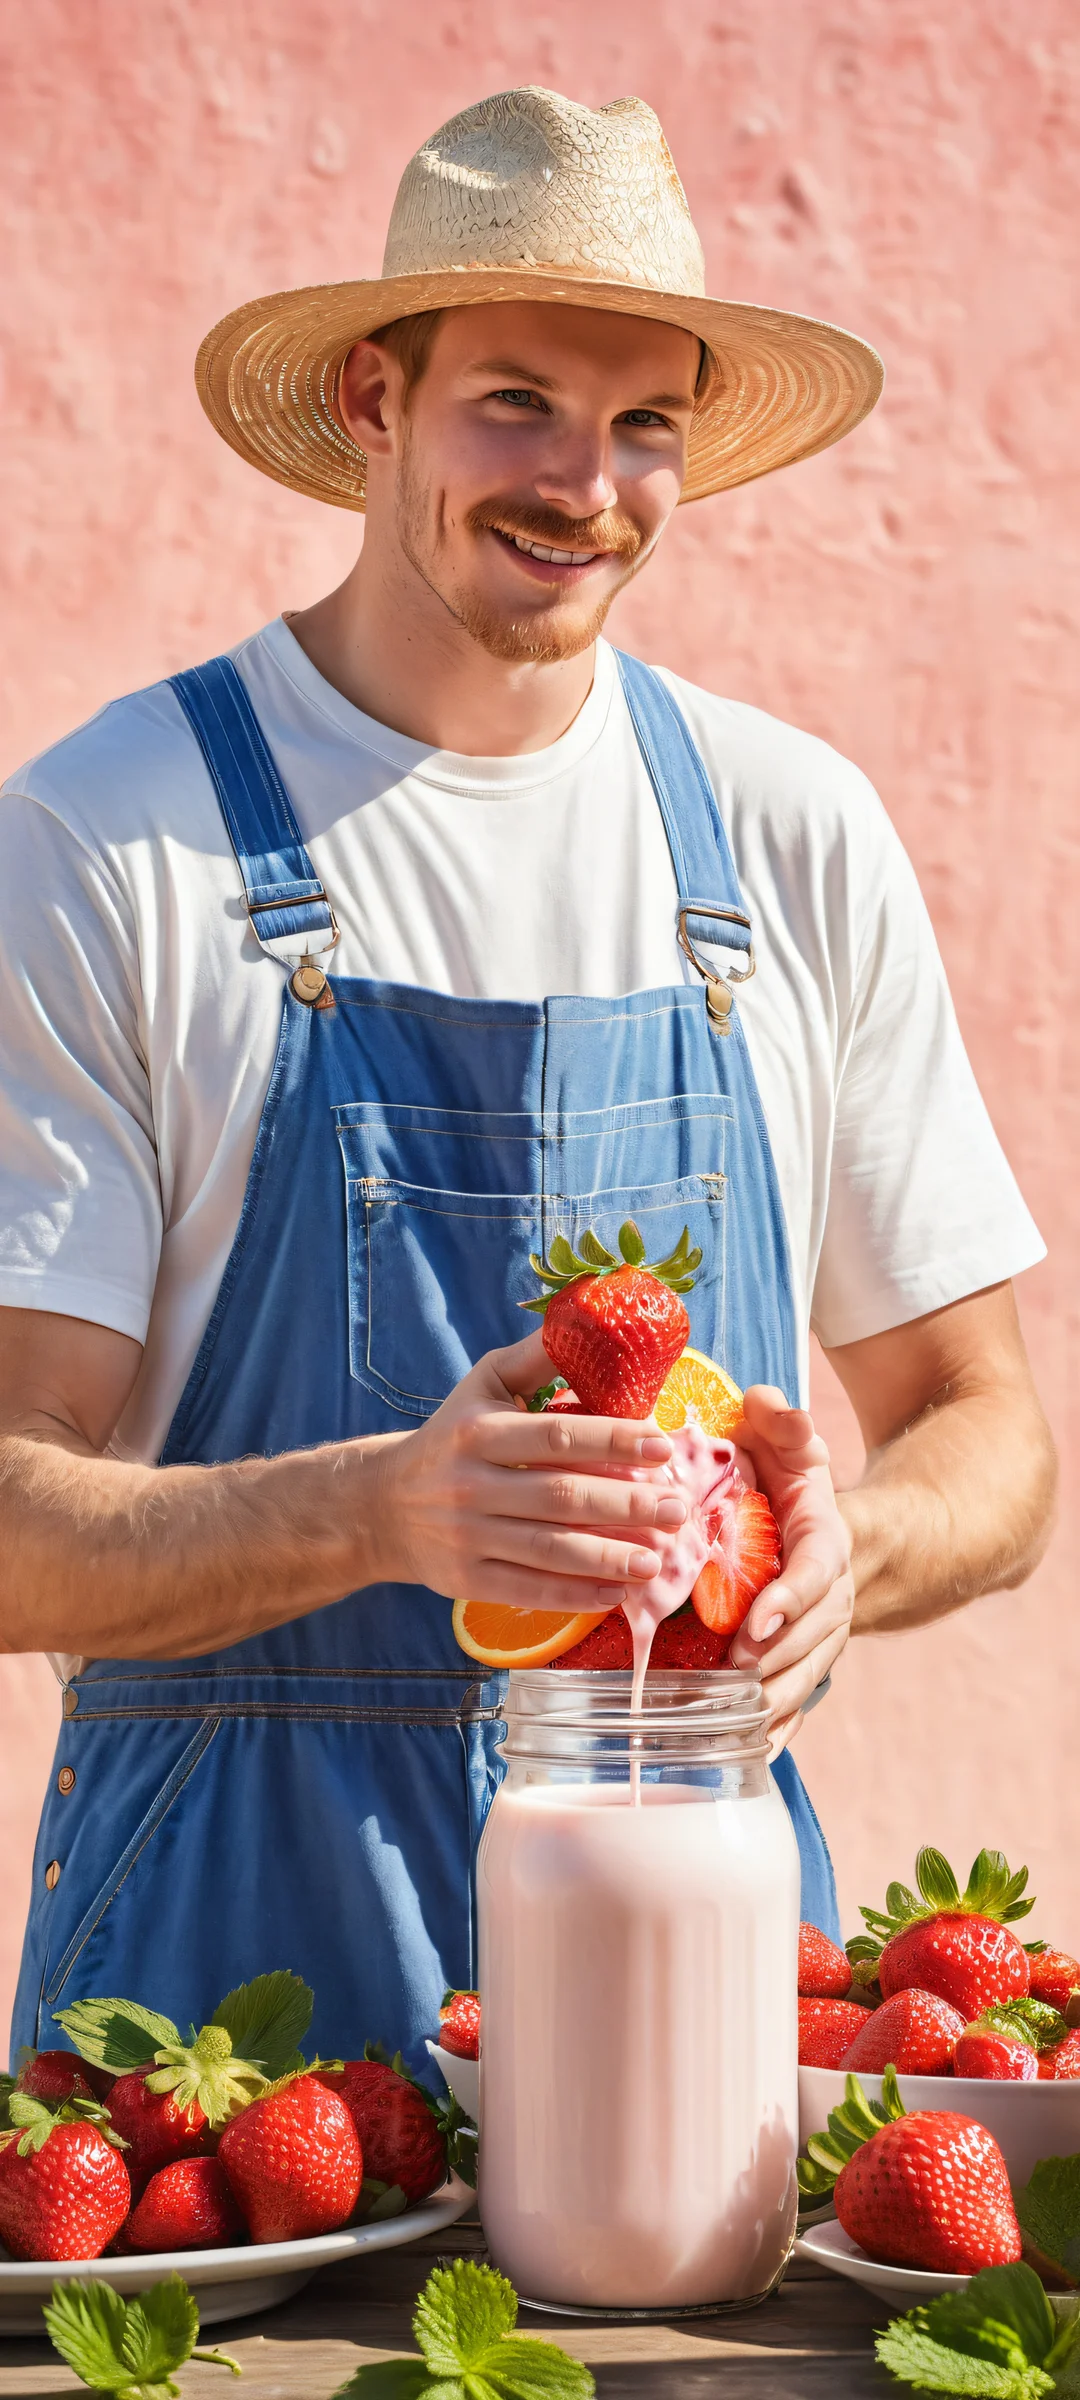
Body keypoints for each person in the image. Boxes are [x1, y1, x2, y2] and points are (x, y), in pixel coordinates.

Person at [0, 88, 1054, 2069]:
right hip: (222, 2026)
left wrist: (857, 1555)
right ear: (370, 405)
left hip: (695, 1967)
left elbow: (988, 1428)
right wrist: (388, 1509)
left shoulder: (784, 836)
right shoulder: (110, 841)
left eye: (645, 421)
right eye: (515, 403)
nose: (587, 482)